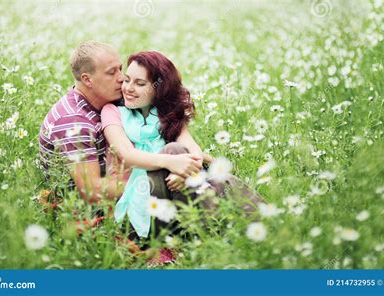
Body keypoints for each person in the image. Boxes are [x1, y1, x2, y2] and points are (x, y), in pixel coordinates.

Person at [102, 51, 263, 243]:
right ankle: (214, 234)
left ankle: (261, 225)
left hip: (175, 196)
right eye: (127, 80)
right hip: (146, 198)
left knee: (221, 179)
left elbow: (193, 149)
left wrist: (181, 171)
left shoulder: (166, 115)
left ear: (158, 90)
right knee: (175, 151)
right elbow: (127, 155)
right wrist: (173, 163)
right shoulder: (112, 112)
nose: (128, 88)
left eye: (140, 83)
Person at [38, 41, 203, 204]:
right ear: (87, 80)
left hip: (133, 179)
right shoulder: (74, 122)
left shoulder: (110, 101)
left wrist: (188, 165)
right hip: (89, 211)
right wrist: (160, 180)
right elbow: (92, 191)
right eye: (111, 73)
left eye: (120, 69)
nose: (122, 78)